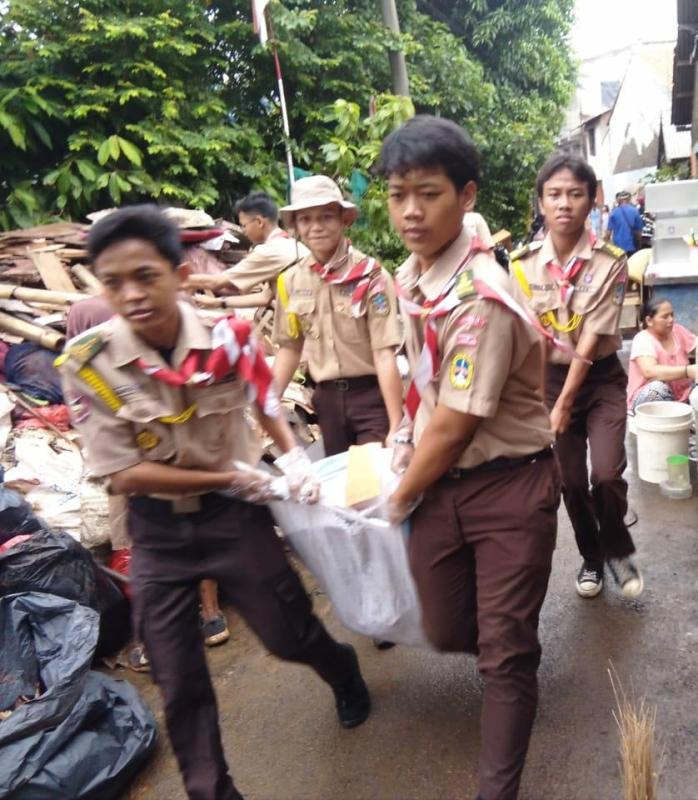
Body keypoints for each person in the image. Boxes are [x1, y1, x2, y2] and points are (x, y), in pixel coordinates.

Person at [57, 205, 370, 800]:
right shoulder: (88, 363)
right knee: (178, 679)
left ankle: (341, 669)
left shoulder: (229, 338)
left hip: (233, 521)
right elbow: (122, 472)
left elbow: (265, 399)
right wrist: (229, 474)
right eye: (114, 282)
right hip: (158, 533)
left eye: (145, 276)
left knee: (288, 633)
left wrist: (292, 457)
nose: (132, 295)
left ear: (179, 274)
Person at [379, 115, 560, 800]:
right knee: (445, 624)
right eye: (397, 195)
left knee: (504, 656)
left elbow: (456, 423)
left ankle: (497, 785)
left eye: (427, 194)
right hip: (441, 484)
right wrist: (402, 432)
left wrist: (398, 496)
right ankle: (507, 638)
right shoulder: (414, 276)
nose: (410, 211)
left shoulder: (481, 296)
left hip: (509, 486)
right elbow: (422, 381)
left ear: (467, 195)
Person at [509, 153, 643, 601]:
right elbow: (528, 338)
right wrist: (538, 400)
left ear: (591, 201)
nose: (564, 203)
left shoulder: (611, 262)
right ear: (541, 203)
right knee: (569, 481)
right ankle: (592, 556)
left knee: (605, 474)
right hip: (548, 380)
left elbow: (590, 339)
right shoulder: (522, 265)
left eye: (574, 194)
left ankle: (617, 547)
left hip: (600, 379)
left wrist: (564, 403)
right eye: (554, 194)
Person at [67, 295, 231, 648]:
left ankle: (178, 623)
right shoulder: (96, 311)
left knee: (152, 538)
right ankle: (198, 616)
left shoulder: (96, 311)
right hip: (143, 452)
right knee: (163, 536)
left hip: (156, 447)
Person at [272, 175, 403, 456]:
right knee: (339, 478)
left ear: (344, 220)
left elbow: (384, 353)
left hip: (371, 398)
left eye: (326, 217)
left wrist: (396, 425)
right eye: (305, 219)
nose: (316, 227)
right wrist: (268, 402)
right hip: (327, 401)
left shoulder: (371, 277)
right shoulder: (291, 281)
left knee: (369, 476)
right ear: (296, 226)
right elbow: (289, 348)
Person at [185, 191, 308, 305]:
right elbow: (265, 297)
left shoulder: (268, 251)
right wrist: (218, 302)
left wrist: (180, 278)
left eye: (244, 225)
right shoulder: (290, 243)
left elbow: (216, 282)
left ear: (259, 222)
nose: (243, 231)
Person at [627, 297, 697, 411]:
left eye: (672, 315)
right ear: (649, 321)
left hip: (683, 398)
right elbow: (650, 372)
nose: (671, 320)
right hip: (648, 401)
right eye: (665, 317)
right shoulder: (642, 339)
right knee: (657, 389)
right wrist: (688, 371)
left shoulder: (677, 331)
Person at [606, 190, 643, 256]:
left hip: (617, 246)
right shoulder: (635, 211)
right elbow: (638, 232)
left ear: (619, 200)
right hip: (631, 245)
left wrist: (607, 245)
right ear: (629, 199)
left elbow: (608, 232)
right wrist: (639, 245)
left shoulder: (613, 212)